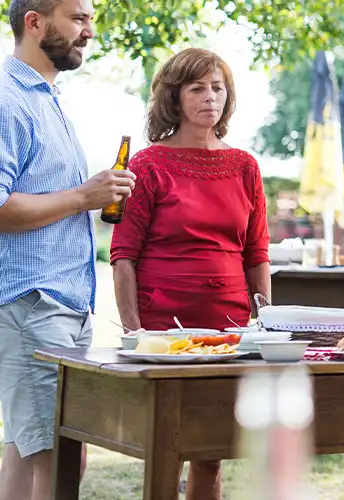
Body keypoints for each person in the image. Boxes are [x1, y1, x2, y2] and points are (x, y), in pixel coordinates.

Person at [107, 47, 267, 500]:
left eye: (218, 88)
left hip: (230, 324)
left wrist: (265, 320)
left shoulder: (244, 165)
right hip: (163, 329)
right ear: (174, 98)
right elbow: (123, 257)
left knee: (212, 446)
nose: (209, 97)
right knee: (167, 445)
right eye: (197, 88)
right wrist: (134, 332)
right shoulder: (147, 164)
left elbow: (257, 252)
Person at [0, 1, 127, 498]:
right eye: (78, 18)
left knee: (24, 451)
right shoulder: (8, 98)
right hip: (34, 304)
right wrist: (83, 196)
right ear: (34, 22)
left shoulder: (47, 98)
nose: (89, 31)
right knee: (58, 463)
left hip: (63, 305)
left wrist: (94, 199)